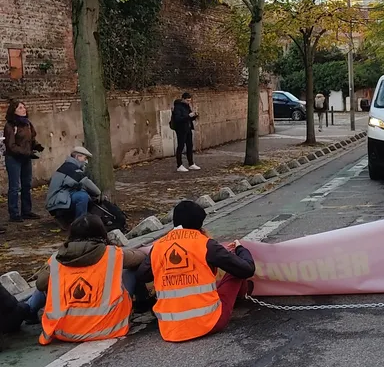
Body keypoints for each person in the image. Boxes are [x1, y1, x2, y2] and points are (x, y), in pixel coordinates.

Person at [138, 200, 255, 342]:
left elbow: (142, 275)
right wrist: (240, 249)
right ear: (199, 224)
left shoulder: (158, 247)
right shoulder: (206, 244)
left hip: (169, 329)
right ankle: (243, 296)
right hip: (208, 323)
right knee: (235, 272)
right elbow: (247, 269)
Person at [35, 215, 149, 345]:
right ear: (101, 232)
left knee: (49, 282)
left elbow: (40, 285)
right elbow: (140, 258)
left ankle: (27, 312)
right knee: (129, 271)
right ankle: (142, 301)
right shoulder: (112, 254)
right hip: (109, 327)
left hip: (63, 331)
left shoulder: (57, 259)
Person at [4, 100, 44, 222]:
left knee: (27, 185)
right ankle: (14, 213)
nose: (23, 109)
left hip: (26, 158)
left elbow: (31, 138)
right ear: (14, 110)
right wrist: (26, 152)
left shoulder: (27, 124)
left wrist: (36, 146)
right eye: (20, 108)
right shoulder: (10, 126)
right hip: (13, 159)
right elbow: (11, 146)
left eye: (24, 107)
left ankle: (26, 211)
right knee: (15, 186)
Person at [45, 146, 102, 223]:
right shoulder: (71, 168)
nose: (86, 162)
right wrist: (98, 193)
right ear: (78, 157)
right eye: (85, 158)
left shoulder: (68, 166)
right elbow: (86, 183)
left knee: (84, 194)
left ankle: (70, 220)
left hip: (59, 200)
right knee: (82, 197)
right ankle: (80, 224)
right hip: (56, 203)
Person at [172, 92, 199, 173]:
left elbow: (189, 118)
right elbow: (178, 119)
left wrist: (194, 116)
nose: (189, 102)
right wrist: (189, 116)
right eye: (187, 100)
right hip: (181, 129)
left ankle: (191, 163)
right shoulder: (177, 107)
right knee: (180, 146)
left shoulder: (187, 106)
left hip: (188, 128)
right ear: (183, 99)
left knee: (189, 146)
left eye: (189, 100)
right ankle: (179, 165)